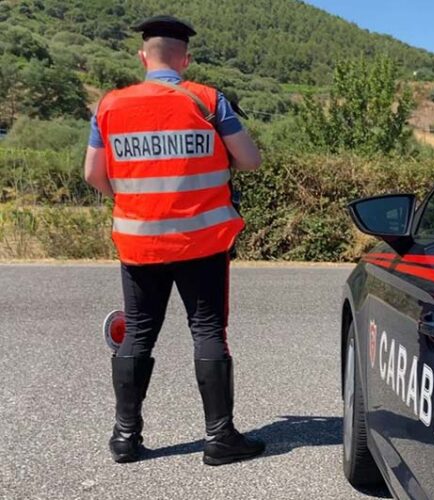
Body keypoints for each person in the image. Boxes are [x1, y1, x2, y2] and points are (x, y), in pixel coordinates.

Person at [83, 15, 264, 466]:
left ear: (143, 57)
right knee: (206, 330)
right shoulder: (206, 100)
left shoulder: (109, 106)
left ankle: (125, 438)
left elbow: (92, 175)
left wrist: (137, 202)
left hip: (139, 242)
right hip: (201, 242)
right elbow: (250, 160)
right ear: (184, 58)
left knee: (139, 333)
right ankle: (220, 438)